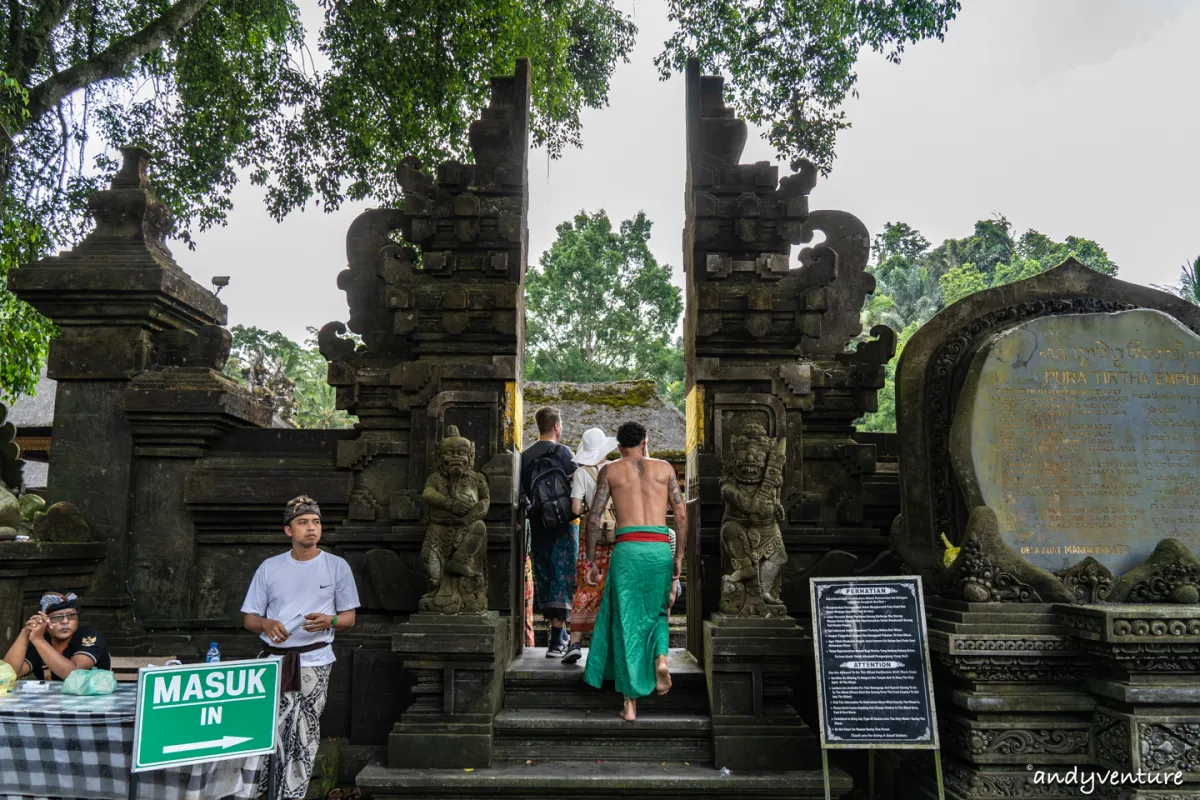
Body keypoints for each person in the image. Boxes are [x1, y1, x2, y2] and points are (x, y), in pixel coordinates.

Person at [242, 496, 360, 800]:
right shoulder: (270, 568)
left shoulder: (336, 566)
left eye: (316, 522)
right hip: (274, 661)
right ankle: (261, 794)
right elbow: (249, 619)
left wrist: (329, 620)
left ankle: (291, 796)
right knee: (269, 732)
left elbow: (349, 618)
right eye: (303, 522)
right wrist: (268, 624)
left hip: (315, 661)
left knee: (304, 735)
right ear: (288, 530)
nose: (311, 528)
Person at [582, 421, 686, 721]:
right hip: (657, 549)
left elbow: (593, 518)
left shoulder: (610, 471)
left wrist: (590, 563)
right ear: (645, 440)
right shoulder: (665, 468)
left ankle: (630, 703)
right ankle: (661, 659)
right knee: (658, 613)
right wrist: (677, 556)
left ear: (618, 447)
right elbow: (680, 514)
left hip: (627, 551)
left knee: (626, 623)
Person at [520, 406, 579, 657]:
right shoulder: (564, 452)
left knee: (544, 574)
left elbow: (522, 493)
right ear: (556, 426)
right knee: (563, 575)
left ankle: (558, 634)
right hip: (565, 524)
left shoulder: (525, 456)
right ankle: (556, 640)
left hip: (538, 524)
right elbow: (578, 486)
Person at [561, 427, 619, 665]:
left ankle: (574, 642)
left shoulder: (581, 473)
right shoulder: (616, 469)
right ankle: (604, 644)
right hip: (617, 536)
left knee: (587, 585)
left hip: (591, 539)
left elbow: (575, 509)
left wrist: (588, 508)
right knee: (612, 589)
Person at [2, 591, 109, 680]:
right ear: (44, 621)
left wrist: (39, 641)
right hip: (48, 702)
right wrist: (26, 632)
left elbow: (73, 675)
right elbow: (7, 676)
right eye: (57, 617)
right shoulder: (40, 638)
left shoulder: (89, 635)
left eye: (72, 615)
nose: (65, 621)